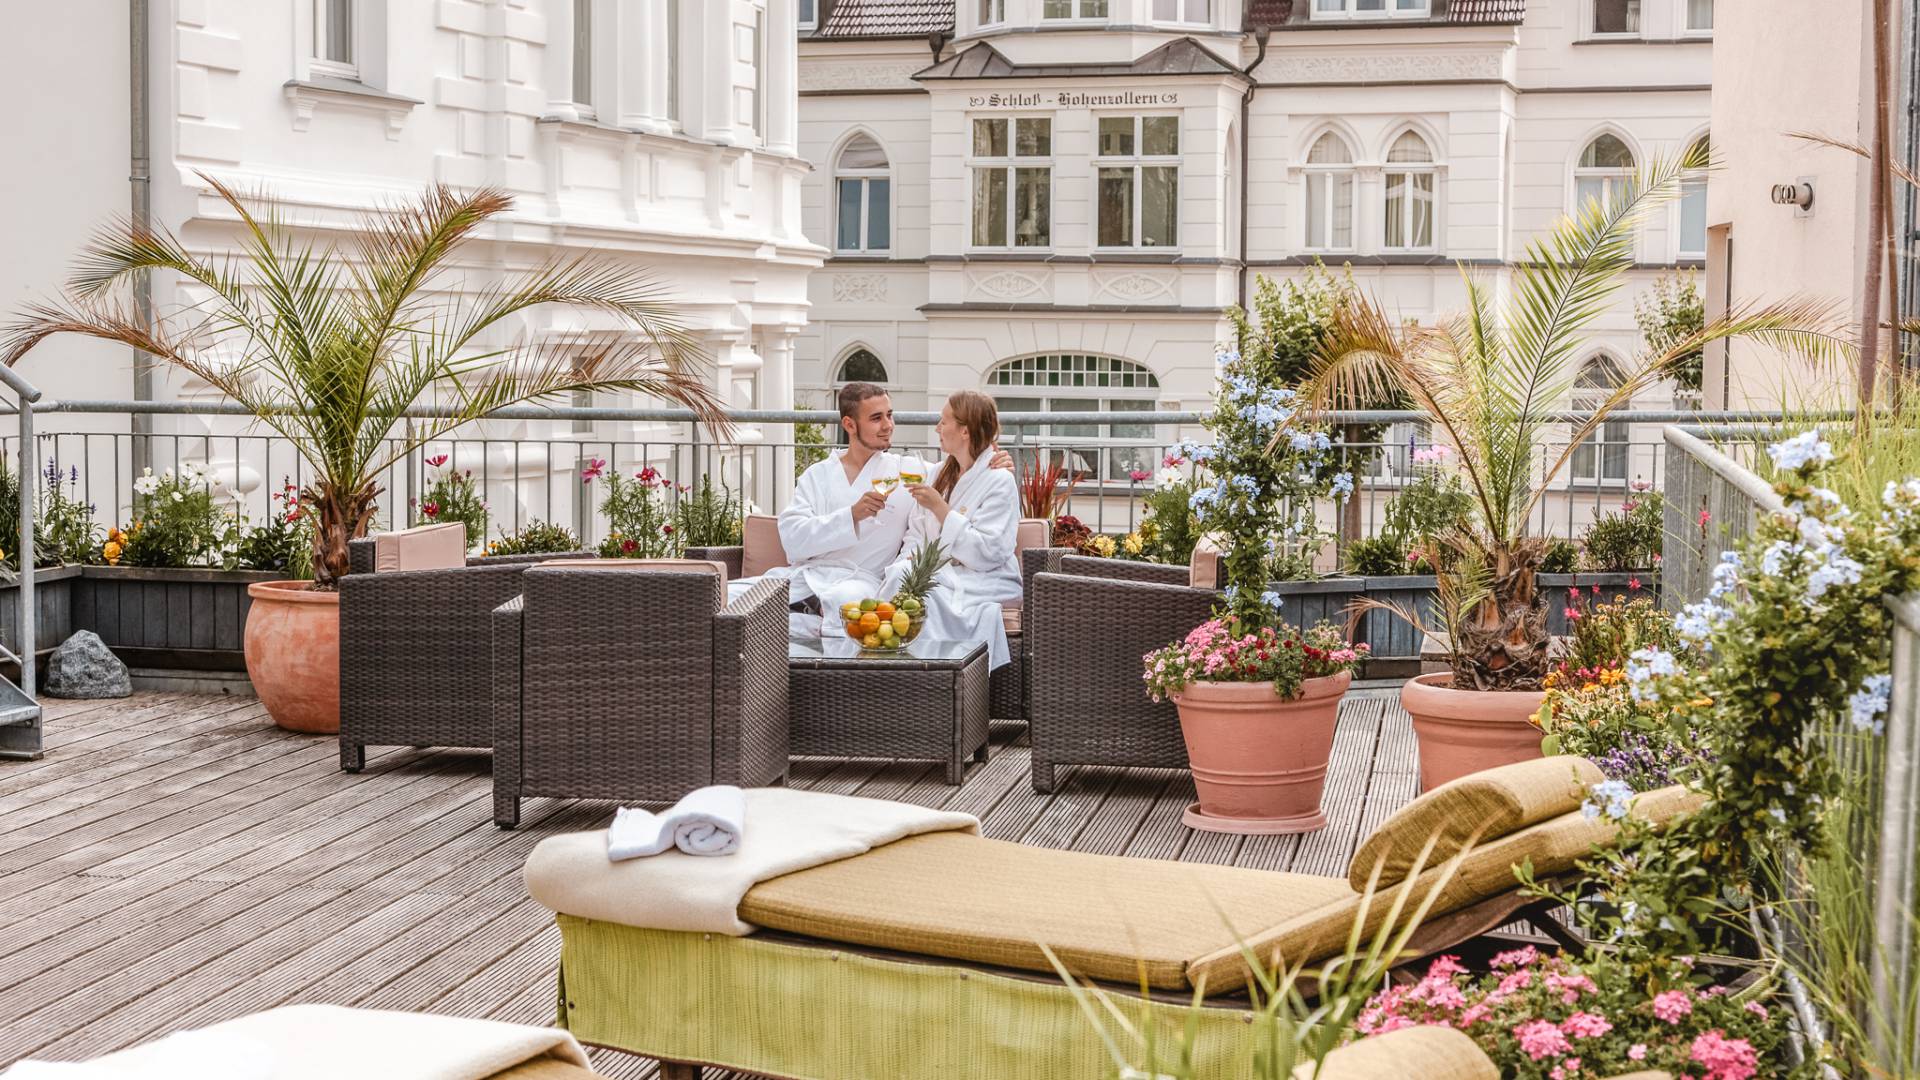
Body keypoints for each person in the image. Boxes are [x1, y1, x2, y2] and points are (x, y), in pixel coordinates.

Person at [727, 382, 1012, 638]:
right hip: (804, 576)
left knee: (844, 609)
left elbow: (966, 470)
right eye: (876, 418)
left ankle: (788, 632)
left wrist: (994, 457)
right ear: (849, 425)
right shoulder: (818, 475)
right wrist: (851, 516)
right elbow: (792, 539)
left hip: (859, 583)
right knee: (727, 595)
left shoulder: (908, 471)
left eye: (890, 415)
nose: (888, 425)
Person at [881, 390, 1021, 669]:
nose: (937, 428)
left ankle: (936, 676)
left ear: (965, 431)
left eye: (943, 422)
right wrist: (909, 559)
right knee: (900, 577)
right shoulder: (937, 474)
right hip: (941, 570)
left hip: (983, 578)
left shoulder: (999, 481)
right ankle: (891, 671)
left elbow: (988, 553)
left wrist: (942, 510)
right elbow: (916, 533)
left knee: (926, 596)